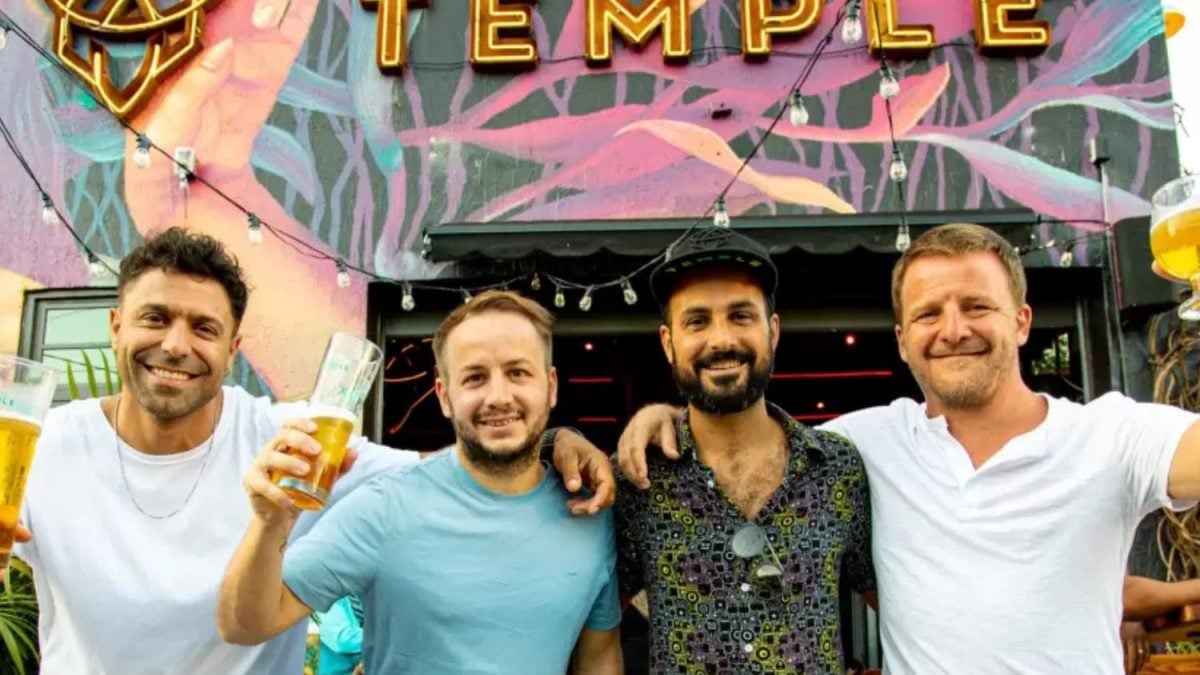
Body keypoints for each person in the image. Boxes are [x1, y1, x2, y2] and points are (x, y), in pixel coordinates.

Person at [10, 228, 615, 674]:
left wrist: (557, 439)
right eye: (155, 318)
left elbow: (455, 468)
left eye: (204, 327)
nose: (175, 345)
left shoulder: (296, 441)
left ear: (233, 347)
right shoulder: (35, 447)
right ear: (116, 325)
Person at [619, 223, 1200, 673]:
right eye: (928, 313)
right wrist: (657, 418)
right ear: (902, 339)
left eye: (977, 306)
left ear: (1022, 322)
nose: (953, 330)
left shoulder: (1111, 435)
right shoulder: (862, 447)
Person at [218, 290, 624, 674]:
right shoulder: (385, 506)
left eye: (518, 373)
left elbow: (599, 655)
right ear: (444, 396)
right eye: (475, 378)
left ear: (550, 387)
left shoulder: (589, 512)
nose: (498, 396)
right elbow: (243, 625)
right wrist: (269, 524)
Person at [613, 228, 874, 674]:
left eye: (740, 316)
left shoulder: (838, 467)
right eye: (697, 321)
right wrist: (559, 439)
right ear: (668, 342)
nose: (721, 340)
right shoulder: (637, 479)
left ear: (773, 331)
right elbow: (589, 628)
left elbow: (905, 611)